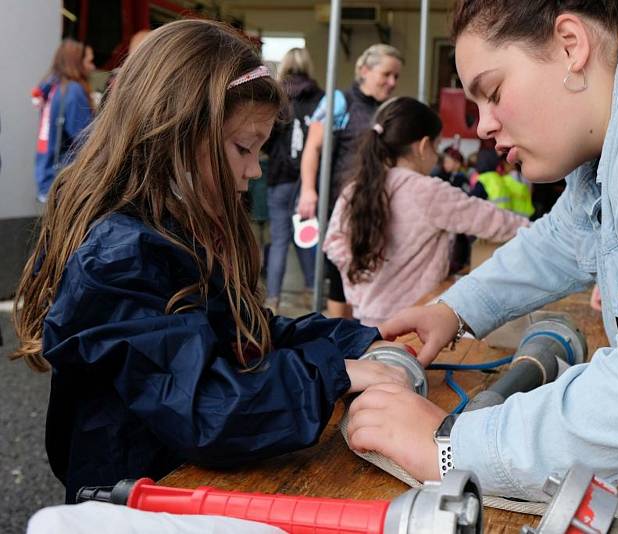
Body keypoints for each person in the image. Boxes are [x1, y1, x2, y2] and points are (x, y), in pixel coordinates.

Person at [345, 2, 618, 531]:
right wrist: (454, 308)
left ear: (569, 44)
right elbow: (567, 235)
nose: (485, 124)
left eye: (492, 92)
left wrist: (450, 446)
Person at [11, 20, 410, 503]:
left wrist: (357, 340)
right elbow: (206, 407)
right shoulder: (120, 258)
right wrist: (335, 373)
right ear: (177, 133)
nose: (255, 168)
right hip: (132, 502)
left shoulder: (176, 232)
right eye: (244, 147)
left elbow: (245, 334)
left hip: (182, 486)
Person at [323, 97, 527, 326]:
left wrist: (360, 286)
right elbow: (493, 221)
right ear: (423, 146)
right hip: (414, 323)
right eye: (437, 147)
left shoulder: (355, 187)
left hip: (367, 318)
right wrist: (540, 230)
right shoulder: (427, 191)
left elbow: (333, 243)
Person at [298, 44, 403, 318]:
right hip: (340, 205)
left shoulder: (386, 110)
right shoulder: (340, 101)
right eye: (387, 74)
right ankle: (339, 339)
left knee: (365, 274)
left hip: (372, 204)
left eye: (396, 77)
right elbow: (313, 147)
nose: (392, 83)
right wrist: (308, 190)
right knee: (339, 276)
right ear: (365, 70)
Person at [263, 48, 324, 311]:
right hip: (307, 181)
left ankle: (273, 299)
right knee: (306, 237)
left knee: (279, 240)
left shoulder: (276, 98)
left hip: (279, 177)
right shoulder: (320, 98)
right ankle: (312, 292)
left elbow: (266, 140)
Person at [32, 38, 95, 203]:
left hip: (47, 176)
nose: (92, 66)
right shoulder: (73, 91)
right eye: (89, 61)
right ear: (76, 62)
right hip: (66, 182)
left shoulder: (51, 88)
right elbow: (86, 140)